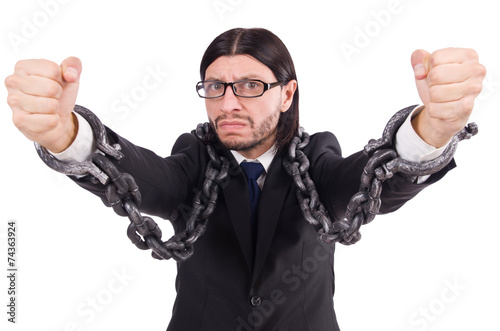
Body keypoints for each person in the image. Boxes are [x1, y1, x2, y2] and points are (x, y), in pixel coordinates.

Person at [5, 28, 485, 330]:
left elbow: (365, 182)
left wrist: (430, 131)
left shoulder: (317, 159)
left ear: (286, 94)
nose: (229, 103)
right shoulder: (193, 159)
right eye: (216, 87)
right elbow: (142, 176)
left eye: (252, 86)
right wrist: (66, 134)